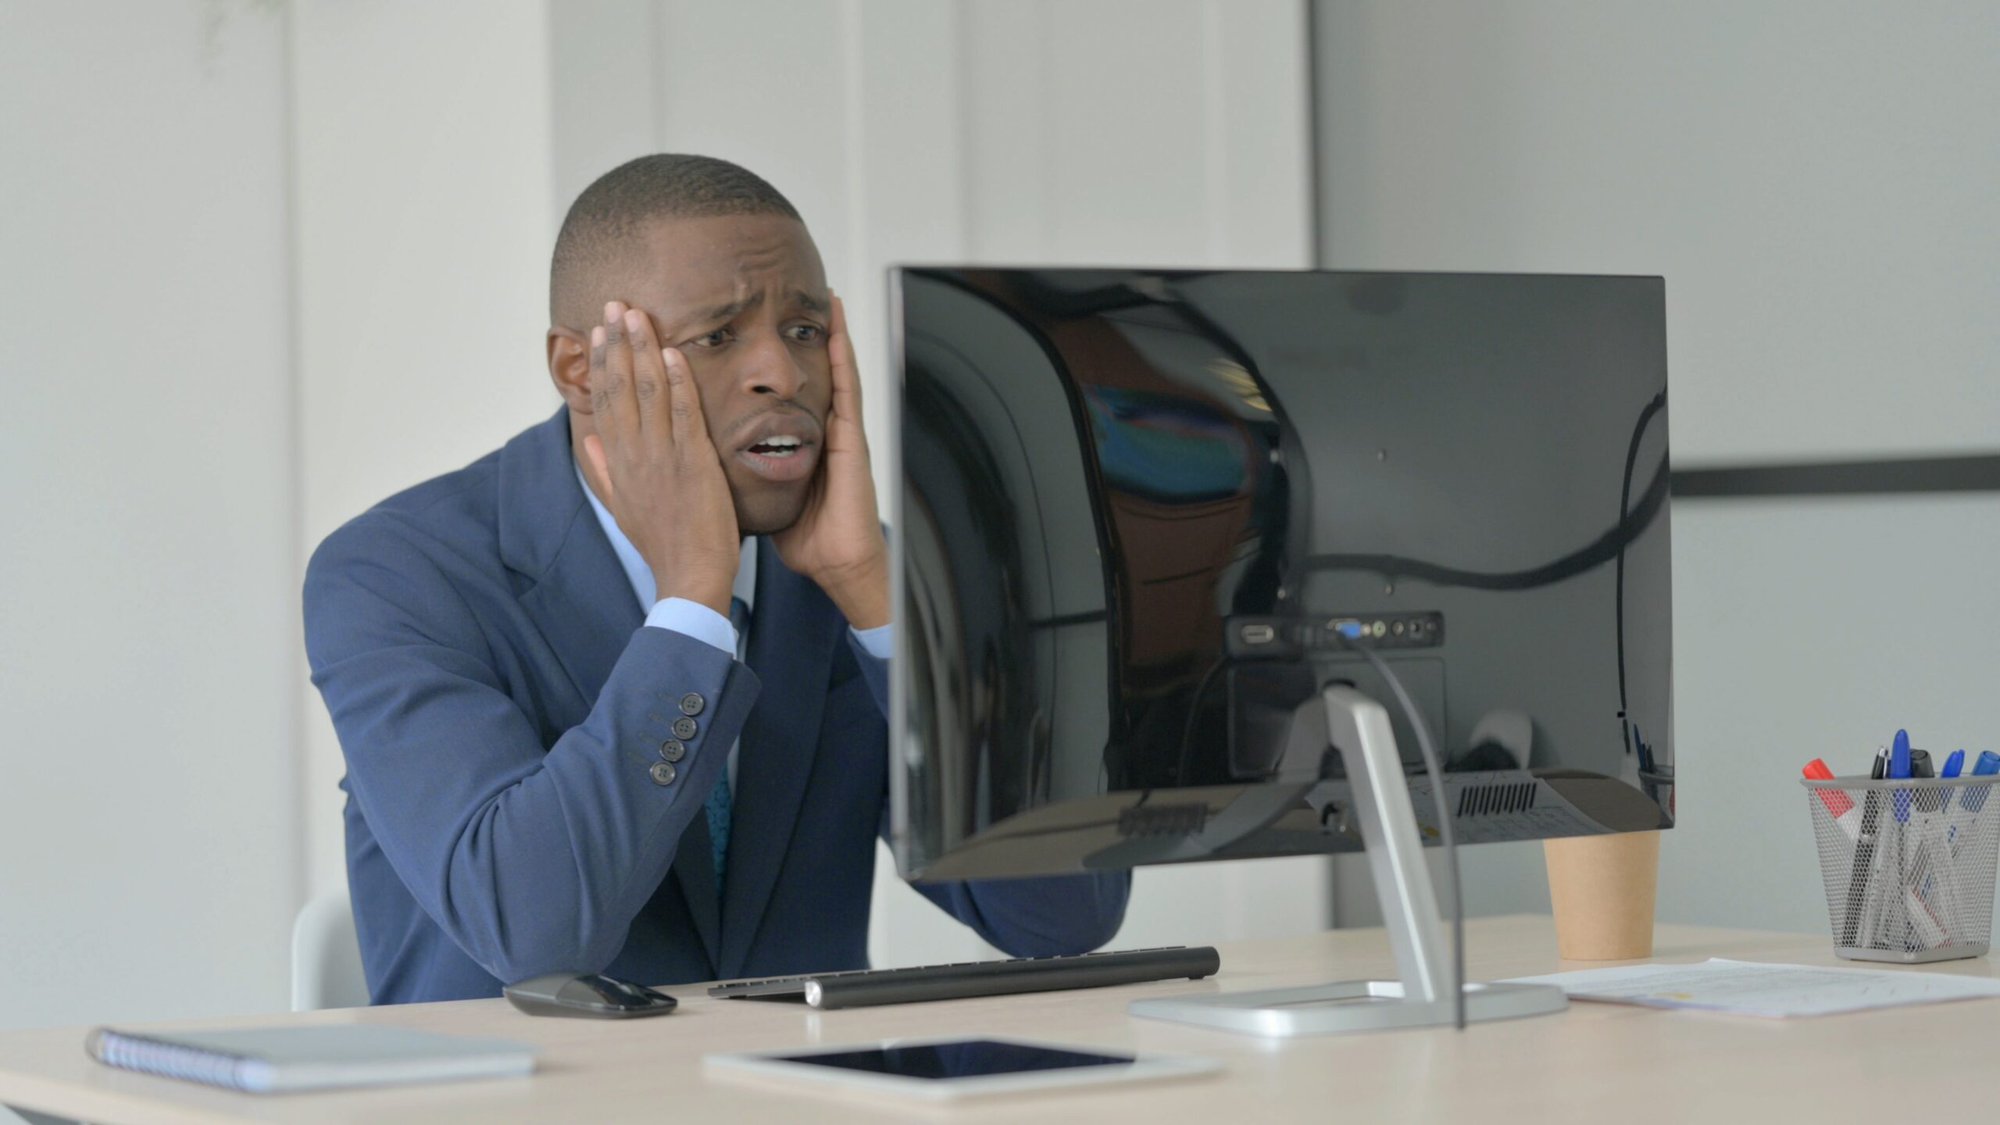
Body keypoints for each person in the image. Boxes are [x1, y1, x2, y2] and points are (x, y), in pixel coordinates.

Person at [304, 154, 1129, 1004]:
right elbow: (535, 932)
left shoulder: (860, 570)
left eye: (807, 330)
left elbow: (1065, 918)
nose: (783, 373)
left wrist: (883, 606)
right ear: (580, 369)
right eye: (720, 335)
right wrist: (690, 601)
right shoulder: (396, 574)